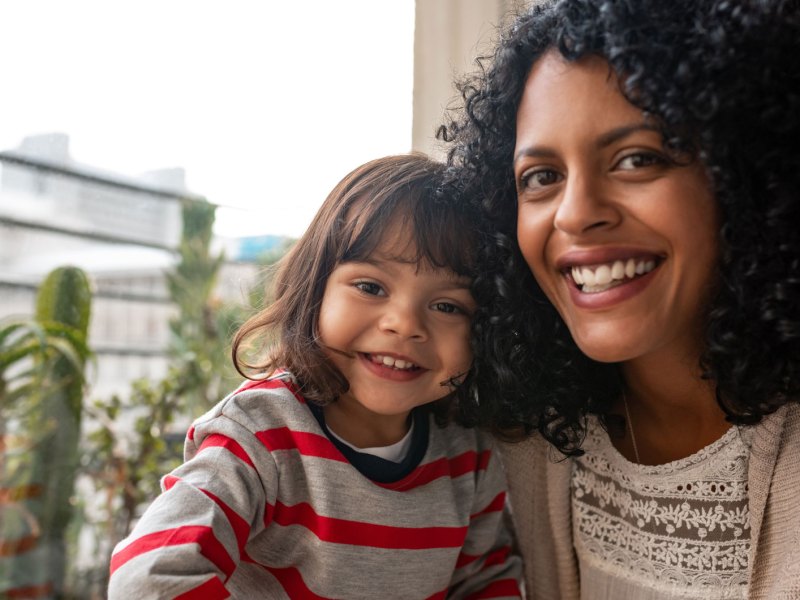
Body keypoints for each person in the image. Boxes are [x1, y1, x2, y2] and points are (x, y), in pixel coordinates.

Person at [441, 0, 800, 598]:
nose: (577, 213)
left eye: (637, 159)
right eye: (541, 177)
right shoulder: (518, 433)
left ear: (744, 178)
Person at [107, 154, 522, 599]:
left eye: (448, 306)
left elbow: (484, 581)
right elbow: (148, 578)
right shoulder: (258, 434)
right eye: (370, 287)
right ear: (315, 288)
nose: (404, 324)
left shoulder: (469, 452)